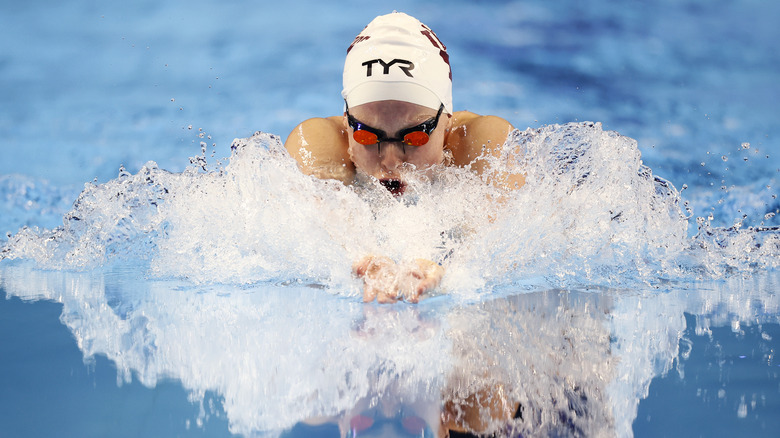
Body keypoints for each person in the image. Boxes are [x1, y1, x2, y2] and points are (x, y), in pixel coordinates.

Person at [284, 12, 525, 303]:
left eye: (415, 137)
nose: (390, 160)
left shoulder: (483, 144)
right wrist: (359, 256)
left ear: (446, 122)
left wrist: (449, 269)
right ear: (347, 125)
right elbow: (308, 231)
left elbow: (505, 241)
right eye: (367, 136)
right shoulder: (317, 141)